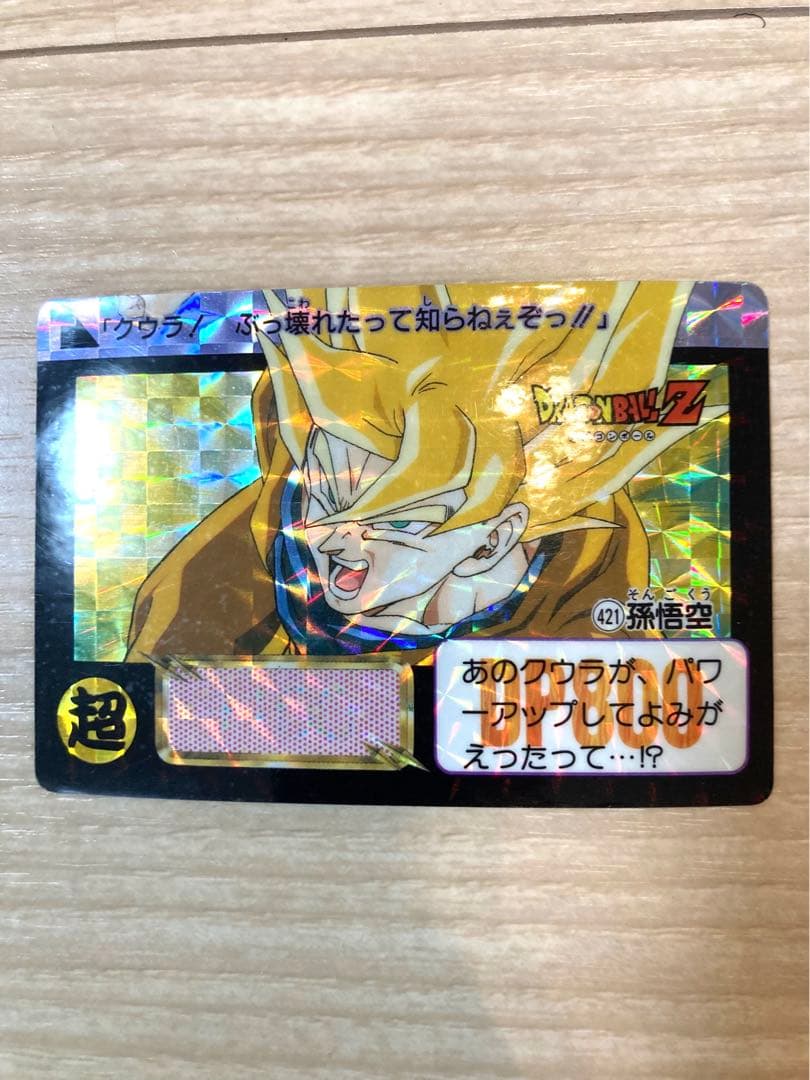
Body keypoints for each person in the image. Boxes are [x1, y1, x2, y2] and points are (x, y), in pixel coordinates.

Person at [126, 280, 725, 663]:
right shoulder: (239, 568)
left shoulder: (591, 621)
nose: (328, 537)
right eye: (325, 496)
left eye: (394, 519)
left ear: (493, 539)